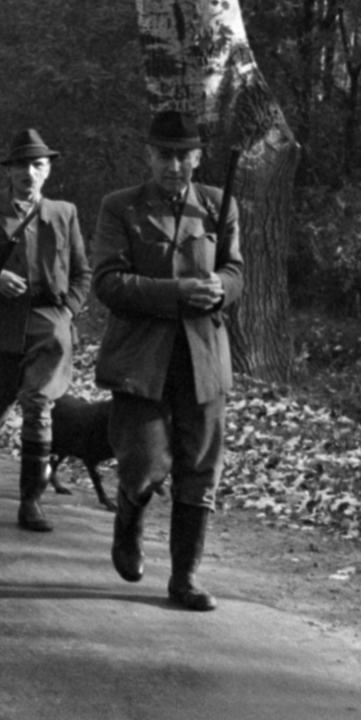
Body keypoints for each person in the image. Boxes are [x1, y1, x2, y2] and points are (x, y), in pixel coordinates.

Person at [90, 111, 242, 612]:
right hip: (142, 359)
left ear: (198, 158)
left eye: (184, 156)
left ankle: (184, 578)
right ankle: (128, 521)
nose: (174, 165)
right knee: (145, 464)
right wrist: (178, 292)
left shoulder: (220, 206)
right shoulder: (121, 208)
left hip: (203, 359)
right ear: (148, 156)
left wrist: (222, 289)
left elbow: (236, 271)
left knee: (200, 467)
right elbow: (108, 283)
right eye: (165, 155)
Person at [0, 127, 91, 533]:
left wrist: (68, 314)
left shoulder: (64, 213)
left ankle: (30, 502)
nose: (29, 172)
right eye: (21, 165)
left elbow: (82, 273)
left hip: (47, 324)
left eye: (37, 165)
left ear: (48, 171)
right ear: (8, 171)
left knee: (39, 407)